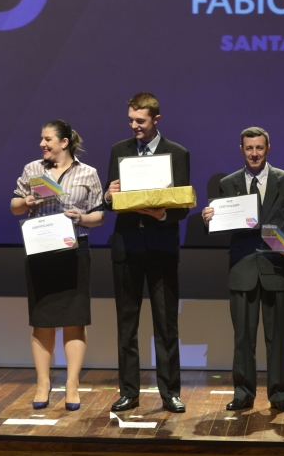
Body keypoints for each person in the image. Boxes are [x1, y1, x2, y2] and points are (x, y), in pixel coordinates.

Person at [201, 127, 284, 412]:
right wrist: (208, 219)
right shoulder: (229, 183)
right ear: (241, 150)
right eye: (249, 148)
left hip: (277, 267)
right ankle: (243, 393)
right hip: (242, 269)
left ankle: (280, 396)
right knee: (243, 338)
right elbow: (222, 225)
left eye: (259, 148)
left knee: (277, 337)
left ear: (268, 148)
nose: (254, 153)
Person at [104, 92, 190, 413]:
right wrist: (108, 196)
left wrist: (162, 215)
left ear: (156, 119)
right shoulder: (119, 151)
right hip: (126, 248)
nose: (134, 126)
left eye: (140, 121)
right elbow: (111, 201)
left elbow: (183, 206)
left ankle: (170, 393)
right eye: (130, 120)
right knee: (127, 325)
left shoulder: (177, 154)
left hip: (162, 248)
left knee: (166, 325)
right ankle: (129, 392)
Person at [11, 120, 105, 411]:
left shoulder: (88, 173)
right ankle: (42, 382)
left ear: (64, 143)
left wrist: (80, 217)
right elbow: (14, 206)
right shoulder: (32, 170)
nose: (43, 144)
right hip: (40, 251)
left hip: (74, 250)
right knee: (42, 320)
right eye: (41, 139)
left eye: (48, 139)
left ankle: (73, 384)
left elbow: (99, 216)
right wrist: (26, 201)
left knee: (74, 319)